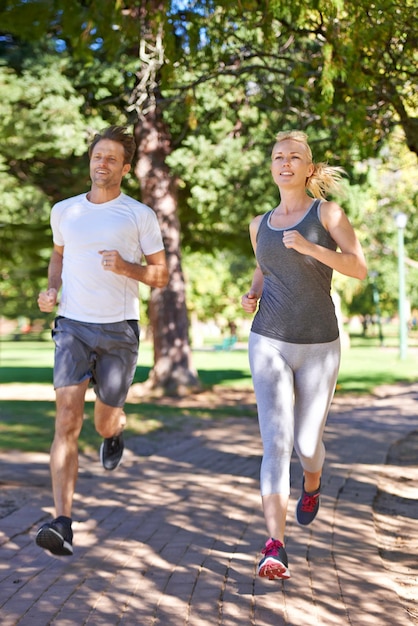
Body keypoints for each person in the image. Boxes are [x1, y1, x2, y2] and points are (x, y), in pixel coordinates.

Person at [36, 125, 169, 556]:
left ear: (125, 168)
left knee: (101, 421)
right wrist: (52, 289)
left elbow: (161, 276)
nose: (102, 164)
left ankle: (115, 431)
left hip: (119, 330)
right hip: (72, 325)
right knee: (67, 422)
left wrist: (127, 267)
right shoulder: (65, 211)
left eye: (112, 159)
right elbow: (58, 255)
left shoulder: (139, 216)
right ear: (89, 161)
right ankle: (62, 522)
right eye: (97, 156)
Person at [241, 130, 367, 580]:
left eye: (296, 156)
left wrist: (312, 247)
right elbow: (264, 264)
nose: (286, 162)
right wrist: (253, 291)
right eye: (279, 156)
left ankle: (312, 484)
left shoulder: (327, 213)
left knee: (307, 444)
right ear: (272, 166)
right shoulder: (259, 224)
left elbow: (359, 267)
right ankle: (275, 545)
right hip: (269, 338)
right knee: (275, 441)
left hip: (319, 344)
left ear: (309, 169)